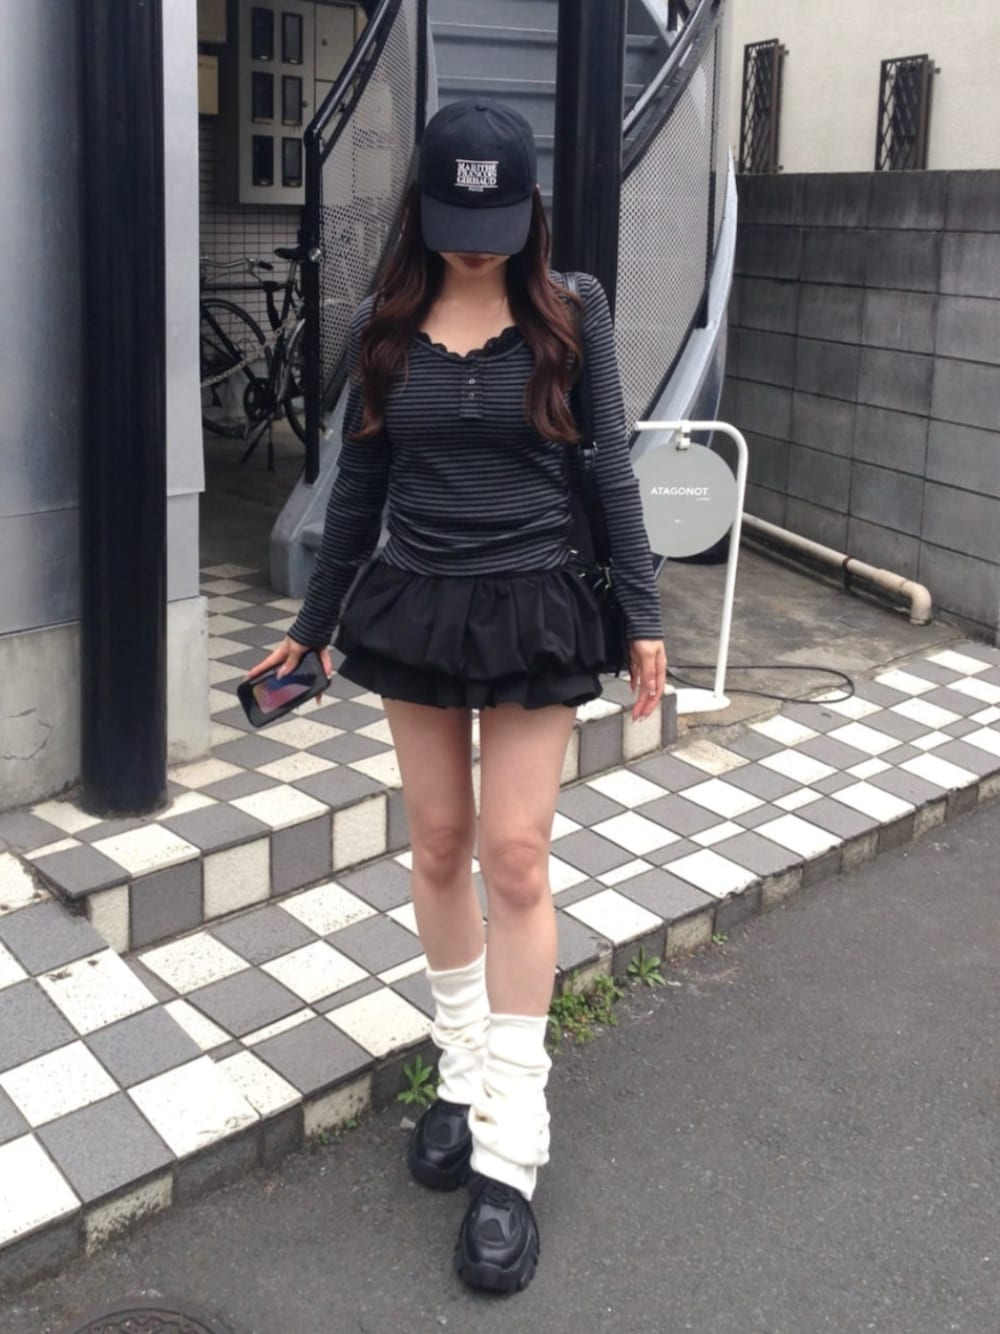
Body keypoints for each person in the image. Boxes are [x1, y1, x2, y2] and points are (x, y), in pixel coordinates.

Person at [248, 99, 667, 1294]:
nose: (474, 249)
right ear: (422, 209)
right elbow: (358, 484)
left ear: (528, 210)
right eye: (454, 225)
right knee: (437, 843)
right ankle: (461, 1064)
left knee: (514, 855)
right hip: (417, 602)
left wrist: (642, 613)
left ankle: (510, 1142)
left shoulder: (573, 311)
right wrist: (309, 629)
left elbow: (610, 469)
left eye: (494, 227)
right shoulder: (386, 321)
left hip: (536, 602)